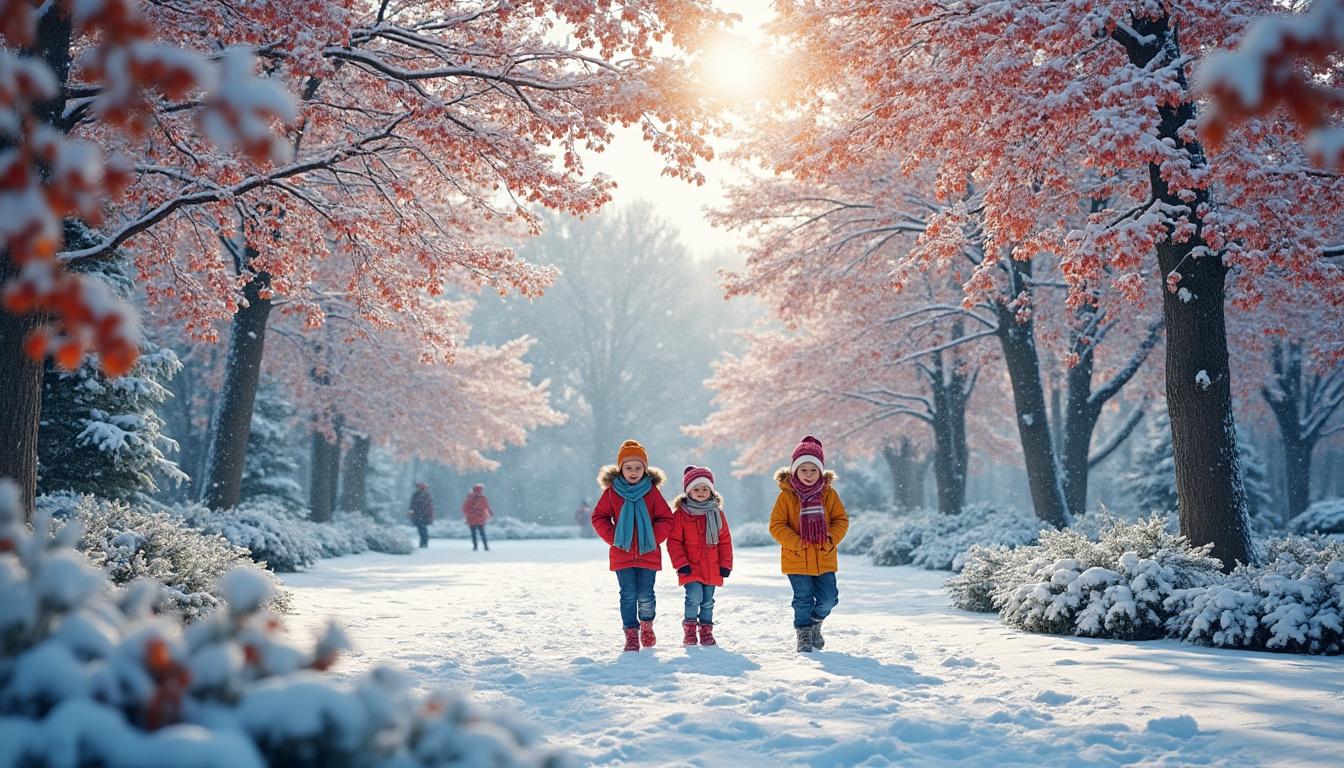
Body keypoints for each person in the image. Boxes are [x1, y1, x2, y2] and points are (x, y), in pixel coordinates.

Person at [591, 439, 674, 652]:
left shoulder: (652, 492)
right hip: (622, 553)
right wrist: (615, 537)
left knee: (646, 594)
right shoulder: (612, 493)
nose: (633, 472)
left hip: (648, 552)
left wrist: (652, 538)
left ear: (645, 469)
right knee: (627, 594)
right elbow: (599, 517)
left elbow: (666, 518)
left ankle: (647, 625)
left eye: (638, 467)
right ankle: (630, 633)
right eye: (628, 468)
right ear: (621, 469)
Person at [768, 435, 849, 653]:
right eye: (803, 470)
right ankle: (803, 633)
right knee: (803, 598)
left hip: (824, 555)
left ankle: (815, 623)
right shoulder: (786, 497)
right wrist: (795, 542)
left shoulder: (829, 494)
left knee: (829, 599)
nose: (809, 475)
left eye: (813, 470)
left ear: (820, 471)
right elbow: (777, 525)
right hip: (796, 557)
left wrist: (831, 539)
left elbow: (841, 519)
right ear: (794, 470)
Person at [667, 465, 733, 647]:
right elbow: (673, 541)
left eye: (705, 488)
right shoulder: (681, 514)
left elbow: (725, 541)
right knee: (694, 596)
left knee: (707, 600)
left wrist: (725, 565)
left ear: (711, 490)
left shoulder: (717, 513)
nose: (701, 492)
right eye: (696, 489)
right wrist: (681, 563)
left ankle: (706, 631)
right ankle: (689, 630)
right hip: (690, 565)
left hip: (712, 565)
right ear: (688, 492)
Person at [462, 483, 493, 551]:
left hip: (472, 518)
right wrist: (490, 513)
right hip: (481, 518)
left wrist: (468, 514)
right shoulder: (482, 497)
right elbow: (486, 506)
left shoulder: (470, 497)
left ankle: (475, 546)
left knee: (473, 533)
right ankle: (485, 546)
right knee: (482, 533)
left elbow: (465, 508)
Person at [409, 482, 434, 549]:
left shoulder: (418, 495)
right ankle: (423, 543)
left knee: (422, 530)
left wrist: (411, 514)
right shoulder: (422, 495)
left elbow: (412, 506)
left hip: (421, 516)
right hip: (421, 516)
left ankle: (423, 543)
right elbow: (412, 507)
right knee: (422, 530)